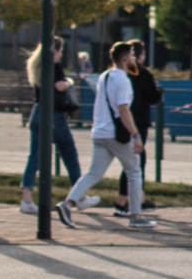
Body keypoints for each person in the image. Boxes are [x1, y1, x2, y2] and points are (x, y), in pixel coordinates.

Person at [61, 40, 155, 229]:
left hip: (100, 132)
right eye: (132, 56)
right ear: (124, 58)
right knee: (135, 172)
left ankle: (67, 204)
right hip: (116, 134)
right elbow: (123, 110)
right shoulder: (123, 80)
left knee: (94, 173)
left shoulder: (104, 76)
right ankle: (136, 217)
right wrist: (136, 136)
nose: (135, 59)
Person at [19, 37, 82, 216]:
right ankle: (79, 195)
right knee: (70, 153)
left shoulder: (37, 67)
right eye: (61, 50)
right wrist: (70, 81)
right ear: (54, 50)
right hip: (54, 115)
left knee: (35, 156)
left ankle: (26, 198)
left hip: (37, 112)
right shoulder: (54, 66)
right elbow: (60, 85)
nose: (61, 53)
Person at [113, 41, 163, 215]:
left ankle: (138, 199)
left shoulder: (115, 75)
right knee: (134, 162)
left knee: (133, 162)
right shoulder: (141, 74)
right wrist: (159, 91)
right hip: (137, 121)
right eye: (135, 55)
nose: (137, 58)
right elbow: (154, 97)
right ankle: (124, 204)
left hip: (120, 122)